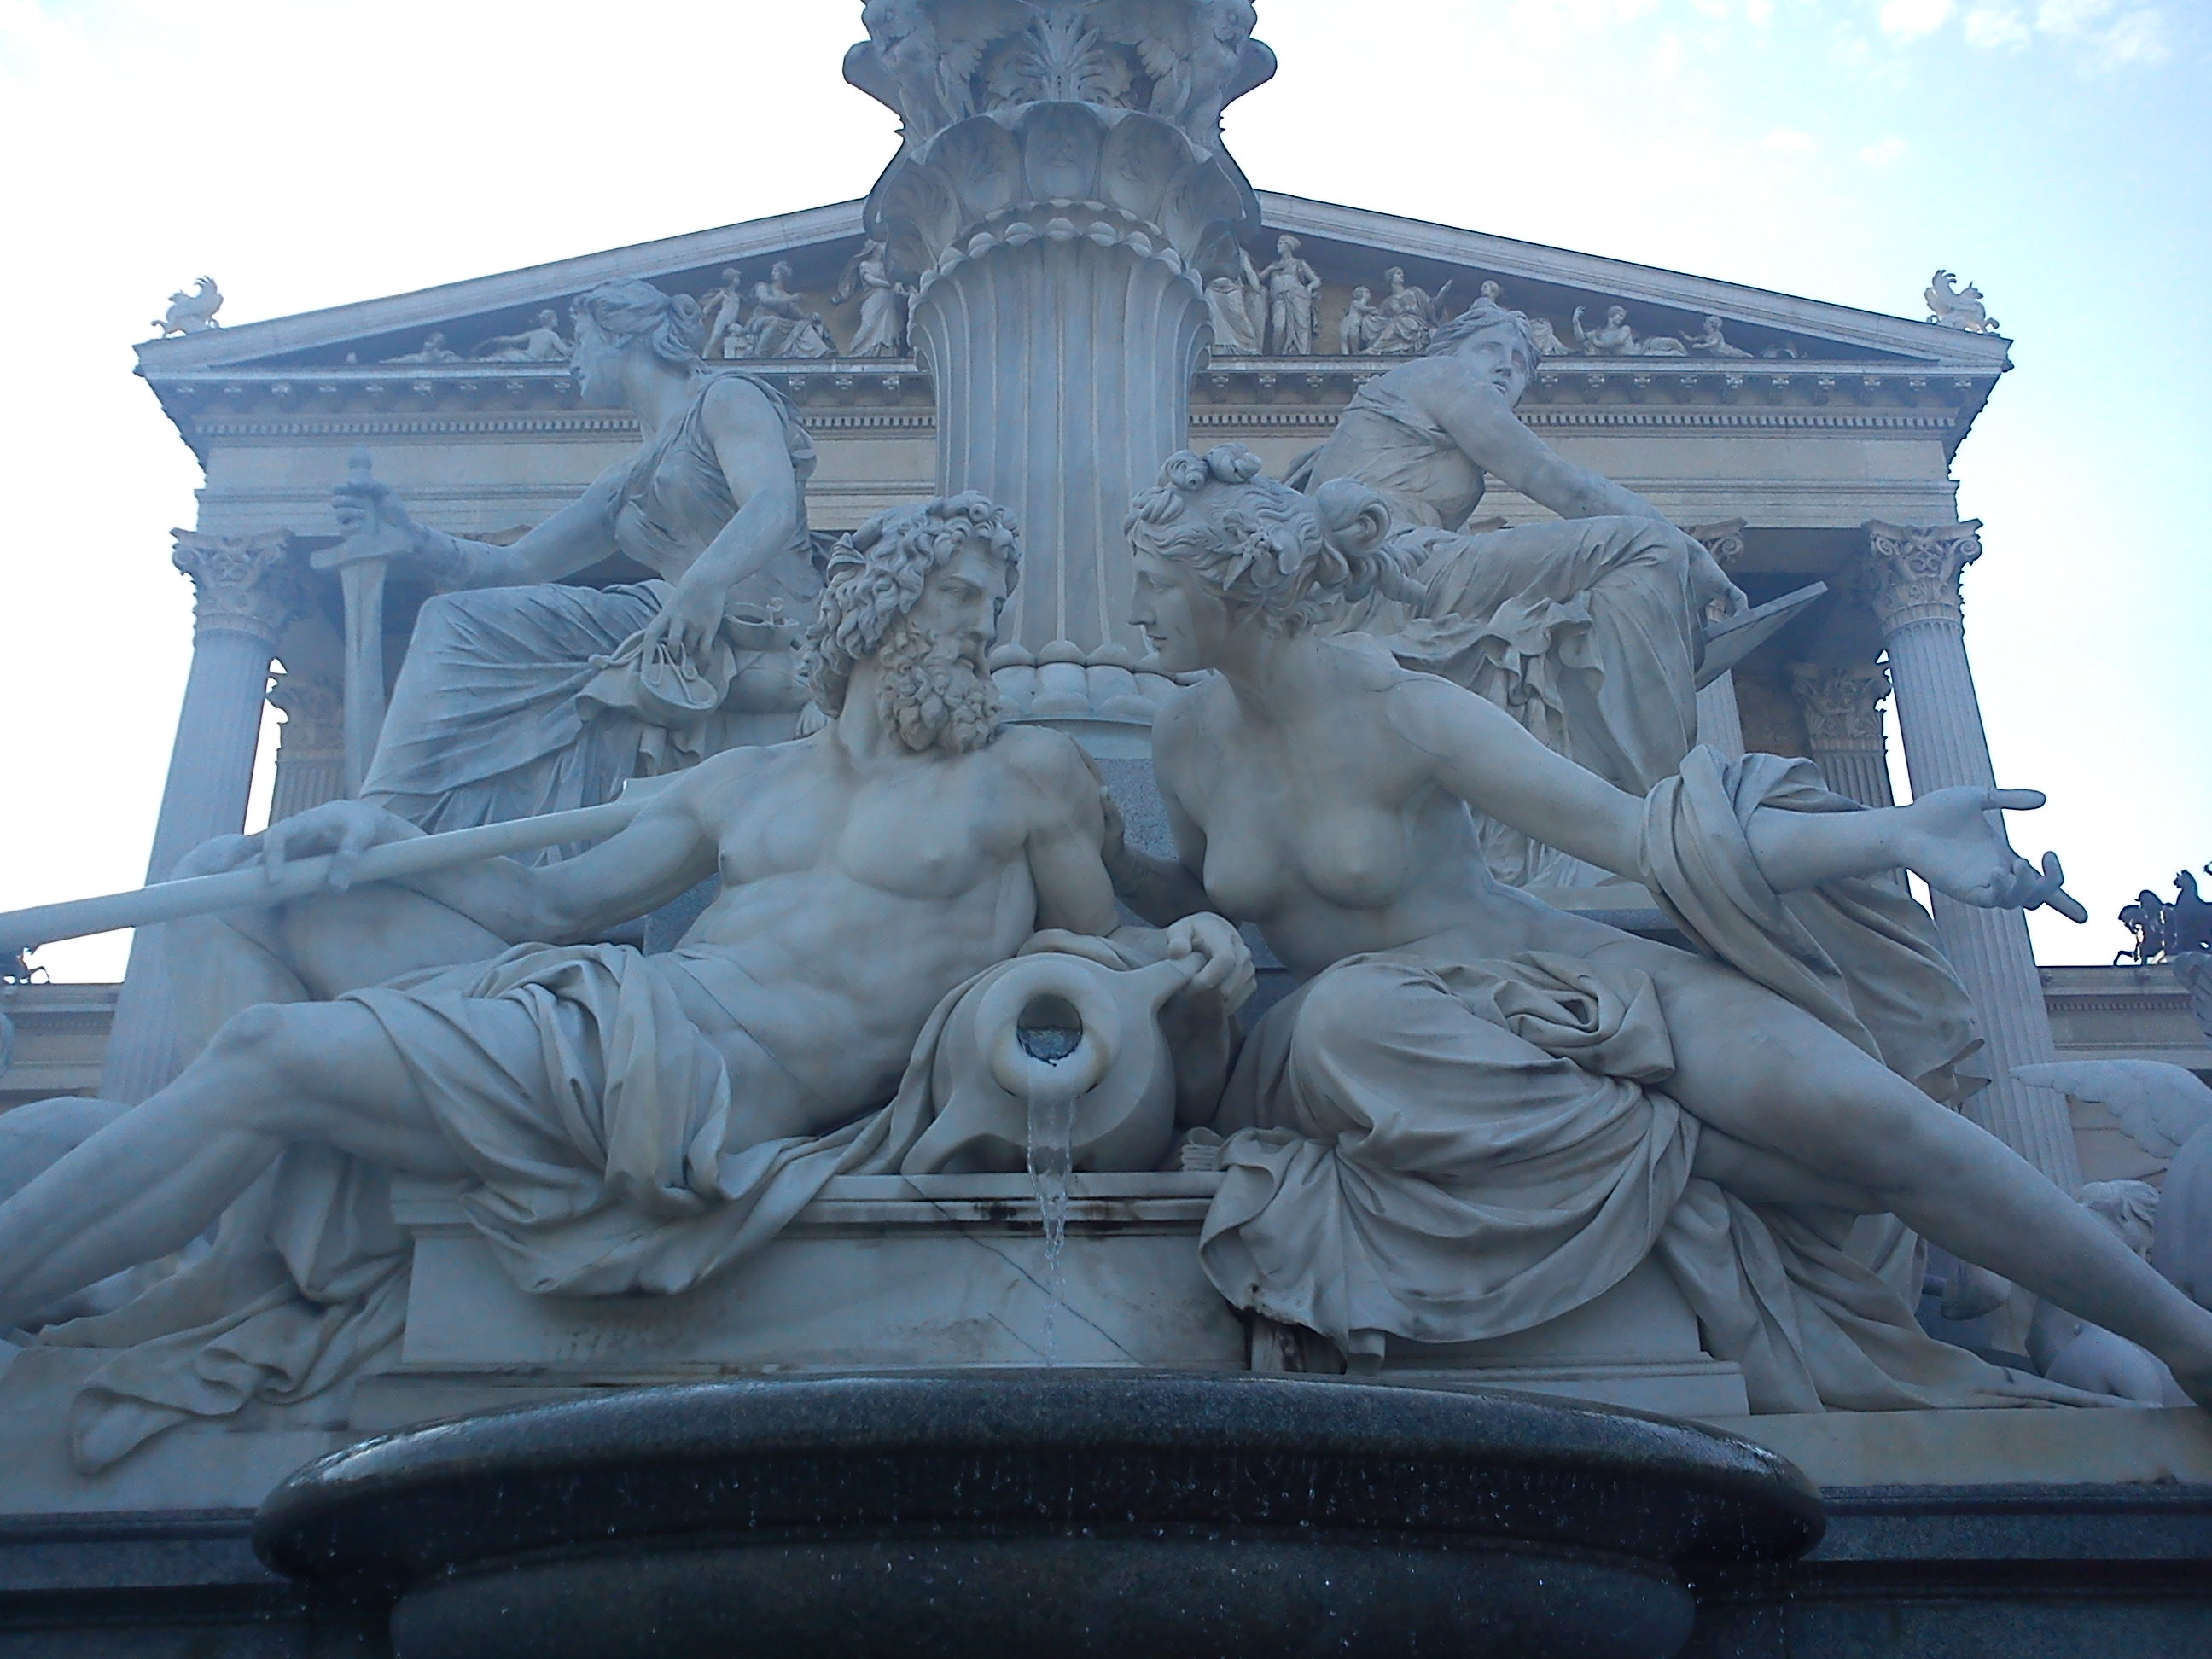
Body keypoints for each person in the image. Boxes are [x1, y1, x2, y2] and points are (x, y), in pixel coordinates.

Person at [0, 494, 1251, 1441]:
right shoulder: (743, 781)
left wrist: (1188, 949)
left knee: (269, 1056)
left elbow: (1096, 943)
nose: (985, 629)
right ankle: (233, 1262)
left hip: (696, 1086)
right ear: (881, 603)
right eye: (963, 596)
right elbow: (552, 903)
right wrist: (379, 841)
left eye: (991, 603)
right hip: (615, 1014)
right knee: (244, 880)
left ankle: (129, 1269)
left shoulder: (1023, 775)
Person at [1108, 445, 2212, 1411]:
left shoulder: (1408, 709)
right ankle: (1720, 1158)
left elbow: (1640, 837)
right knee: (1343, 1018)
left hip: (1559, 972)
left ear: (1233, 584)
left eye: (1155, 583)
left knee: (1874, 1118)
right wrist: (1119, 868)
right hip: (1401, 1032)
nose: (1138, 609)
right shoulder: (1186, 736)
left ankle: (2188, 1341)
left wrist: (1894, 834)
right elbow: (1206, 896)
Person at [338, 277, 820, 842]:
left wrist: (704, 583)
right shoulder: (625, 481)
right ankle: (406, 821)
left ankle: (393, 815)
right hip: (671, 634)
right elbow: (516, 568)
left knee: (458, 624)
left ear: (622, 337)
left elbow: (771, 503)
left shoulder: (727, 399)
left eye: (581, 340)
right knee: (452, 619)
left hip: (769, 636)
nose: (571, 361)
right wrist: (413, 539)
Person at [1290, 297, 1743, 887]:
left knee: (1570, 607)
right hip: (1396, 570)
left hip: (1402, 573)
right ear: (1450, 348)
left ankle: (1600, 802)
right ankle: (1662, 811)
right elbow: (1563, 485)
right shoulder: (1440, 377)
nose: (1506, 367)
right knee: (1647, 547)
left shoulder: (1401, 404)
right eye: (1491, 350)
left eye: (1522, 362)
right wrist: (1696, 555)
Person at [1259, 234, 1322, 355]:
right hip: (1280, 299)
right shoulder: (1274, 265)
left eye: (1280, 243)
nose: (1278, 246)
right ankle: (1278, 356)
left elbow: (1316, 281)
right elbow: (1260, 278)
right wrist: (1270, 269)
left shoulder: (1299, 264)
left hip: (1298, 298)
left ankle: (1301, 353)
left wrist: (1309, 288)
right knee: (1279, 327)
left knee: (1301, 327)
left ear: (1288, 246)